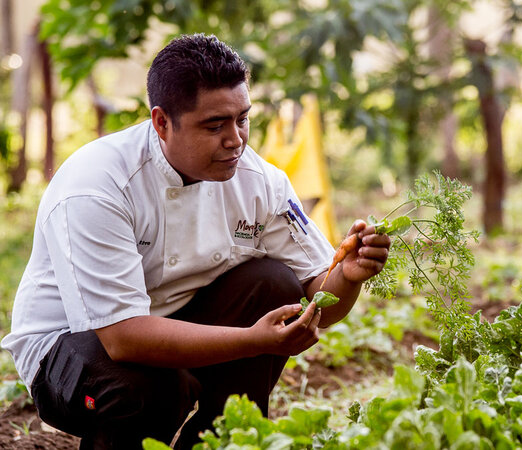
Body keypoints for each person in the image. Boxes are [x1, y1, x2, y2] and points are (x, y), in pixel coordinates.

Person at [1, 33, 391, 449]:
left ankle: (216, 442)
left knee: (273, 283)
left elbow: (319, 300)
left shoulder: (259, 182)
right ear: (162, 123)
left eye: (242, 119)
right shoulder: (97, 185)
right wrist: (252, 341)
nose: (236, 140)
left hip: (177, 320)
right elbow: (123, 337)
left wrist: (348, 276)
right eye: (214, 126)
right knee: (149, 387)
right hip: (73, 348)